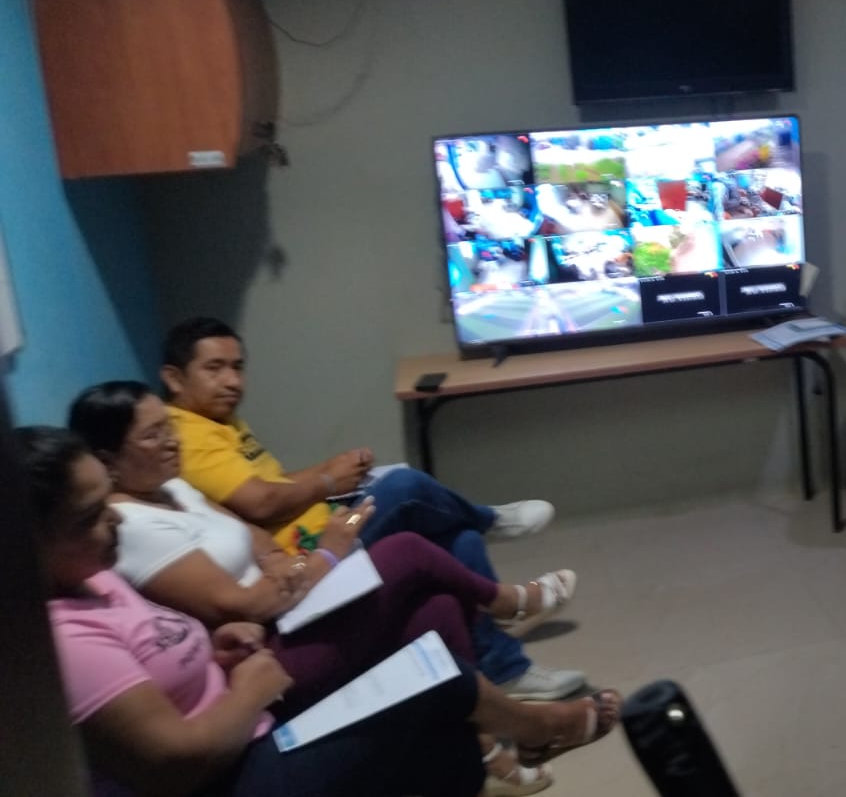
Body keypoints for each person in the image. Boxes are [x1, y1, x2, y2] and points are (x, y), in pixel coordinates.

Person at [24, 426, 620, 797]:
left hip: (256, 681)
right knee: (432, 661)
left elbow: (171, 641)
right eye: (91, 516)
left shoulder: (97, 574)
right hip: (235, 769)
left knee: (437, 620)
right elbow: (174, 764)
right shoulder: (61, 640)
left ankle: (497, 730)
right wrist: (248, 691)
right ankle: (534, 723)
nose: (115, 519)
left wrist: (216, 651)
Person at [158, 317, 584, 701]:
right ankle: (494, 521)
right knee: (405, 487)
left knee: (460, 539)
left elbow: (268, 485)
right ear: (174, 379)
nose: (232, 381)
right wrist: (328, 482)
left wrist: (331, 470)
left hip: (323, 528)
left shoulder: (221, 421)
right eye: (215, 369)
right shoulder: (187, 435)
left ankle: (506, 670)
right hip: (307, 558)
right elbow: (261, 501)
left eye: (237, 367)